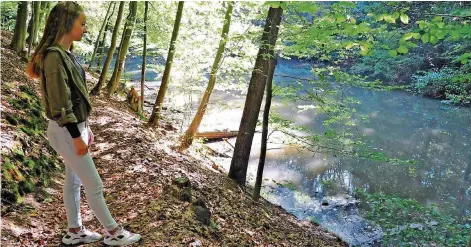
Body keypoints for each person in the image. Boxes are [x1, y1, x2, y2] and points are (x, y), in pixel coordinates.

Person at [25, 2, 141, 246]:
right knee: (94, 184)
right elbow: (60, 105)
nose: (85, 29)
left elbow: (75, 99)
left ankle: (75, 231)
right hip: (66, 130)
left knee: (74, 181)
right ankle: (114, 233)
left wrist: (86, 128)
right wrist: (76, 136)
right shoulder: (55, 57)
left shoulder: (65, 54)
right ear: (68, 23)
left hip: (73, 128)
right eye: (82, 23)